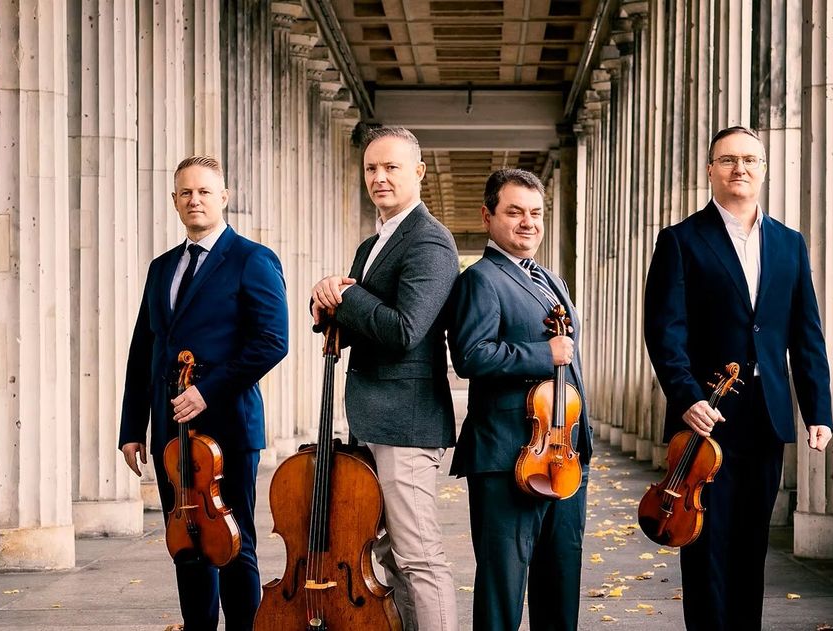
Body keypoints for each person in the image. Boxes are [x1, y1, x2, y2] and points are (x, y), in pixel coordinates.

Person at [643, 126, 833, 630]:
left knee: (752, 544)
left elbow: (806, 332)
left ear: (764, 169)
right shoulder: (680, 240)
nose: (740, 168)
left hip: (766, 415)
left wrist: (818, 410)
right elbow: (664, 332)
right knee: (705, 544)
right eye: (728, 160)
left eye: (750, 159)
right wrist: (686, 398)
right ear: (711, 170)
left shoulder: (790, 244)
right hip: (705, 418)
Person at [119, 155, 289, 631]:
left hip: (228, 425)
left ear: (224, 198)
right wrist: (132, 426)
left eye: (204, 192)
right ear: (175, 201)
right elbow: (144, 350)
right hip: (171, 430)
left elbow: (272, 341)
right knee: (186, 543)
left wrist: (207, 391)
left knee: (234, 543)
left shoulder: (253, 259)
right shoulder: (161, 268)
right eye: (186, 193)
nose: (195, 200)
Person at [309, 126, 459, 631]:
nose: (380, 177)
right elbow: (361, 324)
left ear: (419, 172)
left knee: (419, 557)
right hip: (374, 419)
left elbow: (404, 330)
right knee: (392, 557)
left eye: (392, 167)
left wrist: (347, 295)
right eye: (371, 167)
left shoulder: (430, 241)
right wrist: (327, 302)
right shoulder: (373, 244)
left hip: (406, 423)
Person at [446, 169, 591, 631]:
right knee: (502, 592)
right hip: (507, 457)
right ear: (487, 216)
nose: (528, 222)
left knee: (560, 583)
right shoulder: (480, 279)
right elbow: (471, 355)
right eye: (514, 212)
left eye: (535, 213)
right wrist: (543, 353)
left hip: (563, 456)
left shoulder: (551, 280)